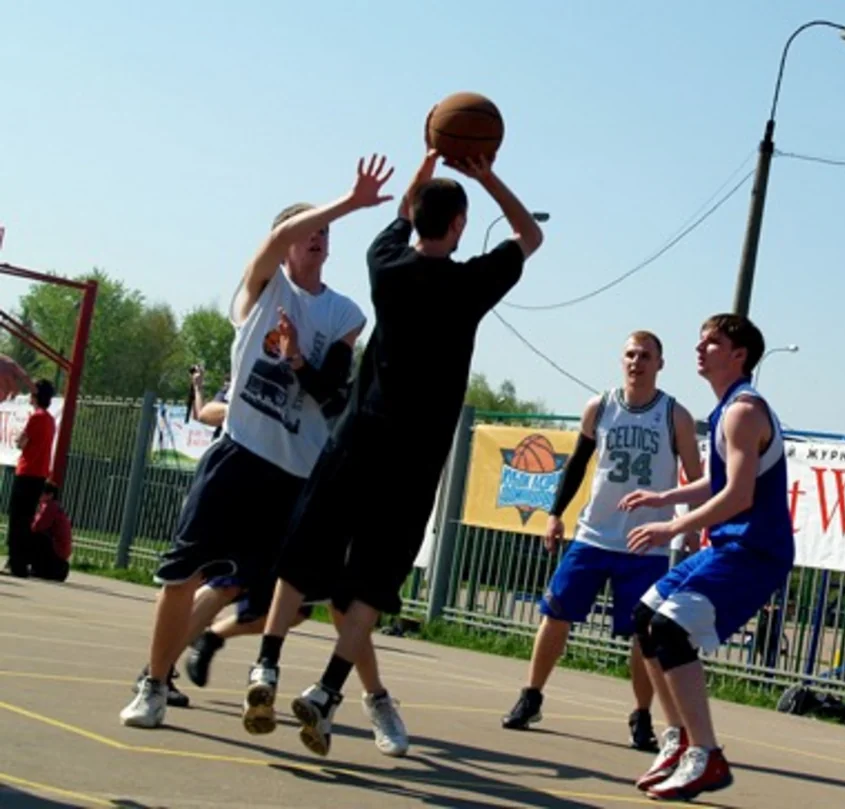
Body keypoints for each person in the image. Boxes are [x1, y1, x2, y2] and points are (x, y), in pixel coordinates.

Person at [242, 143, 543, 758]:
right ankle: (327, 690)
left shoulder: (385, 266)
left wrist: (427, 164)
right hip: (414, 457)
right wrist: (487, 175)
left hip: (358, 437)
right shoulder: (470, 285)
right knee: (372, 585)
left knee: (303, 553)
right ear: (459, 226)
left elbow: (404, 213)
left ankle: (266, 663)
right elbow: (529, 235)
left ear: (416, 218)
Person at [119, 156, 407, 760]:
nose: (318, 236)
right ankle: (153, 684)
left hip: (300, 477)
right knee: (183, 577)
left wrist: (299, 357)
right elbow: (275, 239)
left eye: (326, 231)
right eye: (309, 228)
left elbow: (329, 391)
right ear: (286, 241)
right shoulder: (261, 288)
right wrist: (350, 201)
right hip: (240, 455)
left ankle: (376, 699)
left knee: (338, 598)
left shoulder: (344, 314)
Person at [618, 313, 794, 801]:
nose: (700, 348)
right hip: (730, 545)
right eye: (700, 341)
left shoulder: (744, 411)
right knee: (645, 617)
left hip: (756, 550)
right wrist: (663, 497)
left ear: (739, 355)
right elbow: (722, 480)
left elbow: (739, 495)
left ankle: (706, 754)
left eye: (712, 342)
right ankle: (677, 738)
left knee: (671, 629)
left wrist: (673, 525)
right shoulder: (727, 410)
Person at [501, 331, 703, 750]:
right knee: (555, 614)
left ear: (660, 364)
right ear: (621, 360)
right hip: (593, 535)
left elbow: (695, 476)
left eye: (645, 356)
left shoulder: (675, 415)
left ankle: (641, 716)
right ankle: (531, 696)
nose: (636, 362)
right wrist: (555, 514)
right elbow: (577, 463)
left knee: (643, 636)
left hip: (645, 542)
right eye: (630, 354)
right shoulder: (601, 406)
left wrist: (691, 527)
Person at [7, 379, 57, 578]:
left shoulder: (36, 417)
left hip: (27, 471)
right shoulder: (50, 420)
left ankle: (15, 562)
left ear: (36, 395)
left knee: (16, 518)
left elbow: (22, 443)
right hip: (40, 474)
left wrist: (19, 438)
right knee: (26, 518)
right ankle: (20, 561)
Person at [27, 480, 70, 581]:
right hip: (59, 553)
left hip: (56, 552)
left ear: (50, 495)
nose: (38, 496)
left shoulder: (49, 506)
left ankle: (23, 564)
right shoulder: (55, 506)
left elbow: (37, 526)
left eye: (41, 493)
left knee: (33, 536)